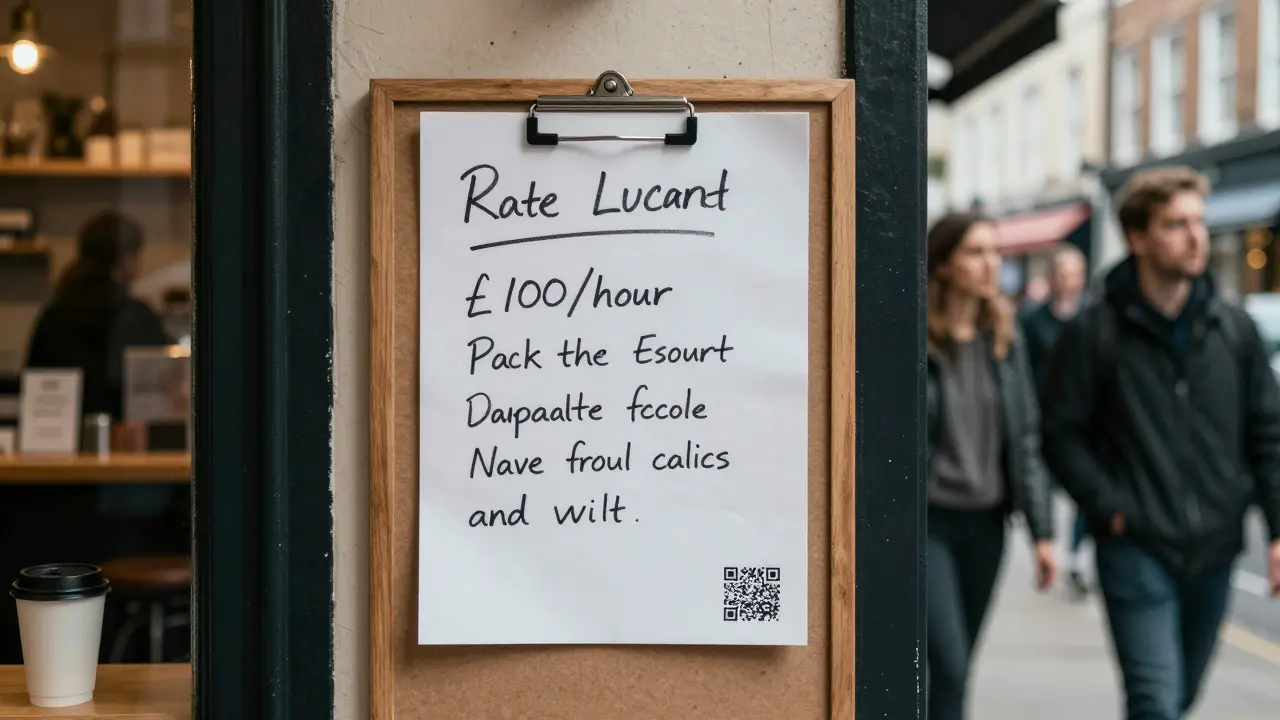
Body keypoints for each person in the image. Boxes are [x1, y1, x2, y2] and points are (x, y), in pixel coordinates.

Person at [1041, 166, 1280, 720]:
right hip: (1135, 545)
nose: (1196, 236)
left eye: (1198, 221)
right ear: (1138, 237)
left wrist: (1275, 528)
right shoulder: (1095, 332)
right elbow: (1060, 435)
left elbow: (1268, 433)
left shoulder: (1235, 330)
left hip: (1216, 549)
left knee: (1181, 696)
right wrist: (1112, 509)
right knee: (1155, 702)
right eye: (1176, 224)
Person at [925, 212, 1057, 720]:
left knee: (959, 671)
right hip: (930, 523)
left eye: (994, 252)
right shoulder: (918, 337)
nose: (990, 265)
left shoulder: (1005, 338)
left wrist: (1042, 533)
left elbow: (1025, 438)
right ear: (943, 263)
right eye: (976, 253)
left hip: (987, 525)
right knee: (948, 662)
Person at [25, 211, 172, 418]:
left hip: (57, 437)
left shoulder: (55, 312)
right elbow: (161, 384)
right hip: (122, 441)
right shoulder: (133, 315)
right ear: (126, 258)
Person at [1019, 245, 1092, 595]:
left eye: (1074, 273)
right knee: (1042, 491)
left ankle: (1076, 557)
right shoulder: (1032, 321)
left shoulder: (1093, 319)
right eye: (1061, 273)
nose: (1067, 281)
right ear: (1051, 277)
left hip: (1084, 428)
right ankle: (1046, 545)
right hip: (1044, 425)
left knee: (1086, 494)